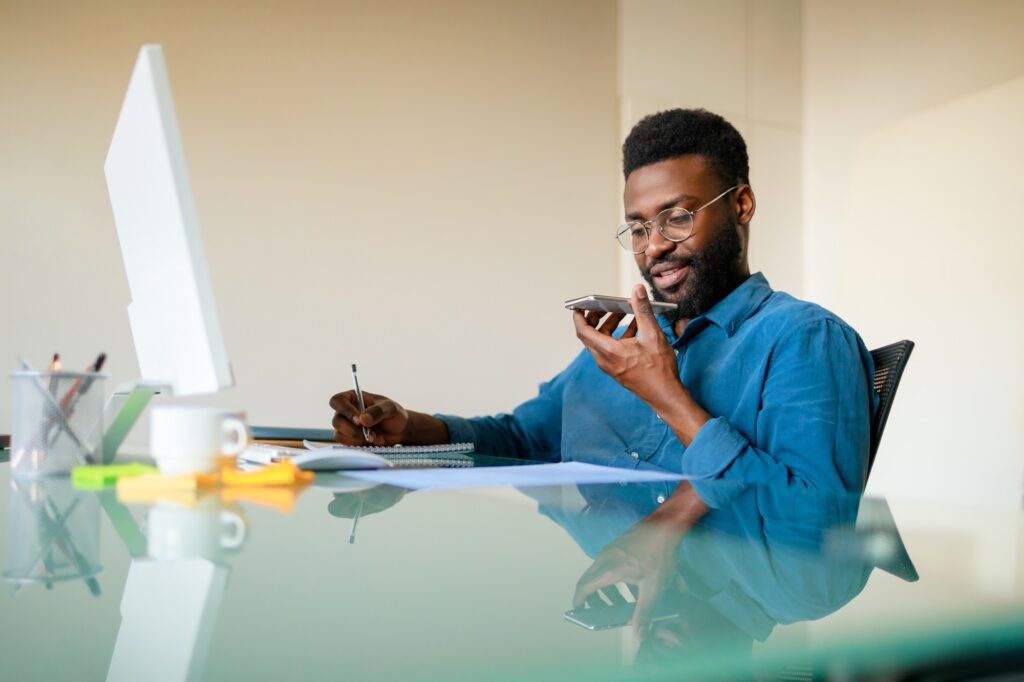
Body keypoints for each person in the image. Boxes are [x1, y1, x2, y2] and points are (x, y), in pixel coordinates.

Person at [329, 108, 877, 632]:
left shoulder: (803, 338)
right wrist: (412, 429)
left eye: (678, 217)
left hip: (728, 607)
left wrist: (666, 396)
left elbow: (814, 544)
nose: (655, 246)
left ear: (742, 205)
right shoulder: (631, 340)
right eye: (637, 228)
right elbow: (523, 436)